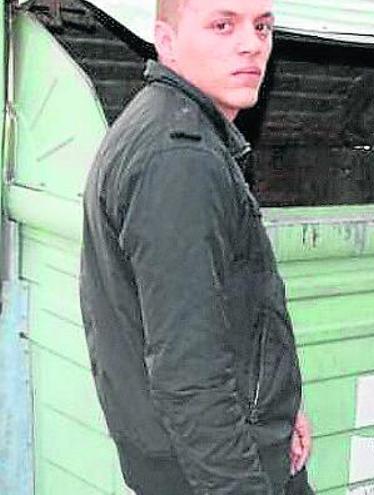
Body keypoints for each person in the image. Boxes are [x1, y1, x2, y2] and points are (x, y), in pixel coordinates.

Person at [79, 1, 313, 493]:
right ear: (165, 41)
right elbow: (189, 374)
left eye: (262, 26)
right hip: (210, 471)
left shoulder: (166, 124)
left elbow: (230, 307)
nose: (251, 44)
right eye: (223, 25)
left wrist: (281, 406)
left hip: (207, 452)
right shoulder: (181, 159)